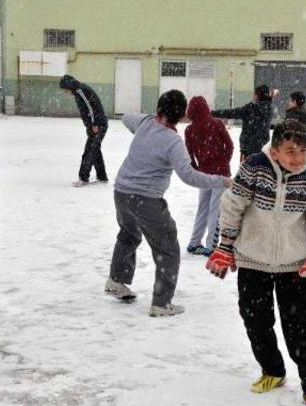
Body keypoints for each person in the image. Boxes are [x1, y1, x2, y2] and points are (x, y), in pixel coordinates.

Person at [206, 119, 306, 406]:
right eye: (291, 151)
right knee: (256, 321)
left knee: (299, 327)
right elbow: (233, 205)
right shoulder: (255, 166)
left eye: (302, 150)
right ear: (275, 151)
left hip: (293, 264)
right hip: (253, 260)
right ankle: (272, 370)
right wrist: (225, 244)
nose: (298, 157)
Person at [105, 90, 233, 317]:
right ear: (182, 116)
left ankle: (116, 280)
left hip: (121, 193)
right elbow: (190, 176)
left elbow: (126, 117)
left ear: (158, 109)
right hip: (146, 199)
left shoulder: (144, 122)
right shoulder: (173, 142)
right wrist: (222, 181)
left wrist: (143, 124)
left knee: (128, 235)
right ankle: (161, 304)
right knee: (168, 248)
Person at [184, 96, 234, 257]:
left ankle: (194, 243)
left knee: (202, 209)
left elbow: (189, 154)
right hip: (220, 174)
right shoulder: (216, 124)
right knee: (215, 211)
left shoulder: (189, 130)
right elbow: (230, 145)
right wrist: (224, 160)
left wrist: (197, 168)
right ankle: (211, 246)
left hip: (203, 175)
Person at [59, 75, 109, 187]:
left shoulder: (81, 91)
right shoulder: (79, 91)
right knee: (95, 150)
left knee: (89, 151)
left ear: (69, 86)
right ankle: (102, 177)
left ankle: (83, 178)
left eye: (65, 90)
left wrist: (94, 124)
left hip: (98, 125)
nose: (66, 92)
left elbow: (91, 108)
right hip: (95, 125)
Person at [211, 85, 272, 162]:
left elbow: (232, 113)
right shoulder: (269, 108)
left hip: (248, 150)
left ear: (257, 95)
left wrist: (212, 113)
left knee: (245, 172)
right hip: (263, 150)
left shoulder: (251, 108)